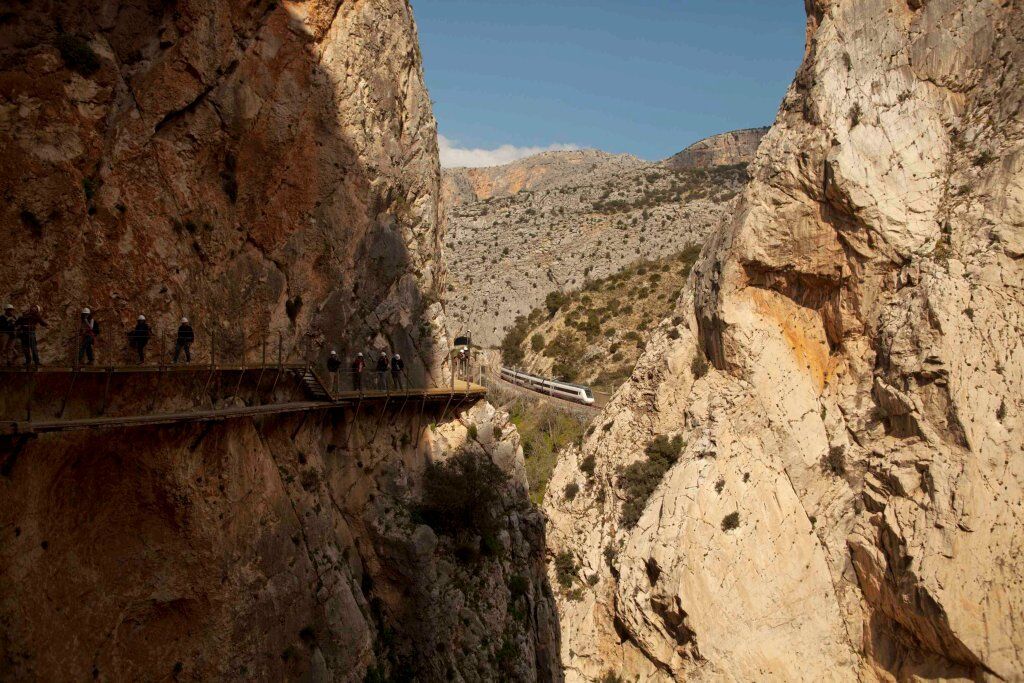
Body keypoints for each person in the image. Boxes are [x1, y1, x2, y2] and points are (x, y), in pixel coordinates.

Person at [16, 304, 46, 368]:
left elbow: (42, 322)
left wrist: (46, 325)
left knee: (33, 348)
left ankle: (36, 362)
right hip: (24, 333)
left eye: (35, 308)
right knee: (26, 348)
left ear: (36, 310)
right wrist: (18, 327)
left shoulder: (37, 316)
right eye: (33, 307)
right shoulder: (25, 315)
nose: (33, 308)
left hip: (31, 333)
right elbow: (18, 322)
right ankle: (28, 362)